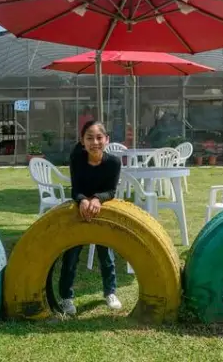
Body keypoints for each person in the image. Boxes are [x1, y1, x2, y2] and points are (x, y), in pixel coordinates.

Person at [58, 120, 122, 315]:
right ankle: (66, 297)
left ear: (107, 140)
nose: (95, 142)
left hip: (101, 209)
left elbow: (111, 191)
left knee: (106, 253)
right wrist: (83, 200)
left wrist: (97, 199)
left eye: (99, 137)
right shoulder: (77, 159)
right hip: (80, 209)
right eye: (89, 138)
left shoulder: (113, 162)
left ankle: (110, 292)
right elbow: (76, 189)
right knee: (71, 254)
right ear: (82, 141)